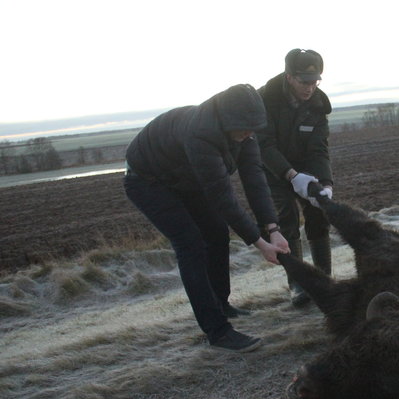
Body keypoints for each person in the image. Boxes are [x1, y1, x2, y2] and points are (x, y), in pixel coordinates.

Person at [124, 84, 289, 352]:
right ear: (227, 119)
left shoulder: (244, 133)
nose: (249, 133)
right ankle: (218, 331)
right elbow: (222, 198)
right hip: (147, 181)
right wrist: (260, 244)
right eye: (244, 127)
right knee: (191, 244)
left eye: (254, 128)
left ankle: (221, 304)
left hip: (184, 178)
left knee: (216, 231)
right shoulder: (201, 133)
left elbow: (254, 179)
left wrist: (272, 228)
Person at [256, 48, 333, 307]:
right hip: (271, 169)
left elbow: (318, 148)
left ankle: (324, 279)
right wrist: (291, 176)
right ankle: (298, 284)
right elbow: (264, 145)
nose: (310, 87)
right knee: (286, 216)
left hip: (305, 168)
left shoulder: (319, 105)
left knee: (318, 213)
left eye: (315, 81)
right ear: (289, 77)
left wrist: (325, 183)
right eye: (304, 81)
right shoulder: (264, 100)